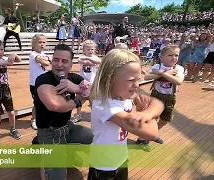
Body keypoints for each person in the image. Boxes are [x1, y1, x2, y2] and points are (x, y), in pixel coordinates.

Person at [88, 49, 164, 180]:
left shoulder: (124, 96)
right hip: (104, 167)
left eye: (138, 79)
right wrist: (145, 113)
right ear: (109, 80)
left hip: (120, 160)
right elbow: (152, 133)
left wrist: (146, 113)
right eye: (130, 80)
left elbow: (158, 103)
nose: (137, 85)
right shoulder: (107, 108)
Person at [34, 44, 93, 179]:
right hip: (49, 133)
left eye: (64, 61)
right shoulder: (43, 79)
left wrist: (77, 89)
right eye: (56, 60)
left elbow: (94, 92)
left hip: (67, 127)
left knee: (95, 137)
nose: (59, 64)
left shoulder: (75, 79)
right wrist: (79, 99)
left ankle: (68, 153)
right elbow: (55, 105)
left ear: (71, 64)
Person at [142, 45, 185, 151]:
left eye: (176, 55)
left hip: (169, 97)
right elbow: (147, 77)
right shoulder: (157, 66)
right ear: (161, 57)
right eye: (170, 55)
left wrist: (162, 74)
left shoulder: (179, 68)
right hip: (156, 96)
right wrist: (165, 73)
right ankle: (144, 137)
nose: (174, 57)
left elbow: (178, 81)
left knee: (165, 120)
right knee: (152, 118)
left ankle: (153, 133)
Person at [0, 37, 22, 144]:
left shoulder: (4, 58)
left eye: (2, 49)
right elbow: (9, 63)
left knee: (11, 111)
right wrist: (11, 57)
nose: (0, 52)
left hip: (6, 88)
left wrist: (14, 54)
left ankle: (13, 129)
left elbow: (18, 60)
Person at [74, 40, 101, 122]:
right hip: (82, 83)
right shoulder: (81, 56)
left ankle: (95, 116)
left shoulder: (95, 57)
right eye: (88, 49)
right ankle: (78, 115)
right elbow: (81, 61)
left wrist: (89, 60)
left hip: (92, 83)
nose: (90, 51)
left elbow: (98, 61)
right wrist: (89, 60)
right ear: (84, 50)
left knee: (93, 101)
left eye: (92, 49)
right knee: (78, 101)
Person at [29, 34, 51, 130]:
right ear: (34, 43)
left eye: (43, 42)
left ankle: (43, 118)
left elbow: (49, 63)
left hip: (45, 83)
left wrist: (47, 60)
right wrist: (47, 60)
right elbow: (47, 63)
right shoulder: (33, 54)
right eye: (39, 42)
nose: (42, 44)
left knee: (45, 101)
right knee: (37, 103)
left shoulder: (44, 54)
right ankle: (33, 119)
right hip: (35, 83)